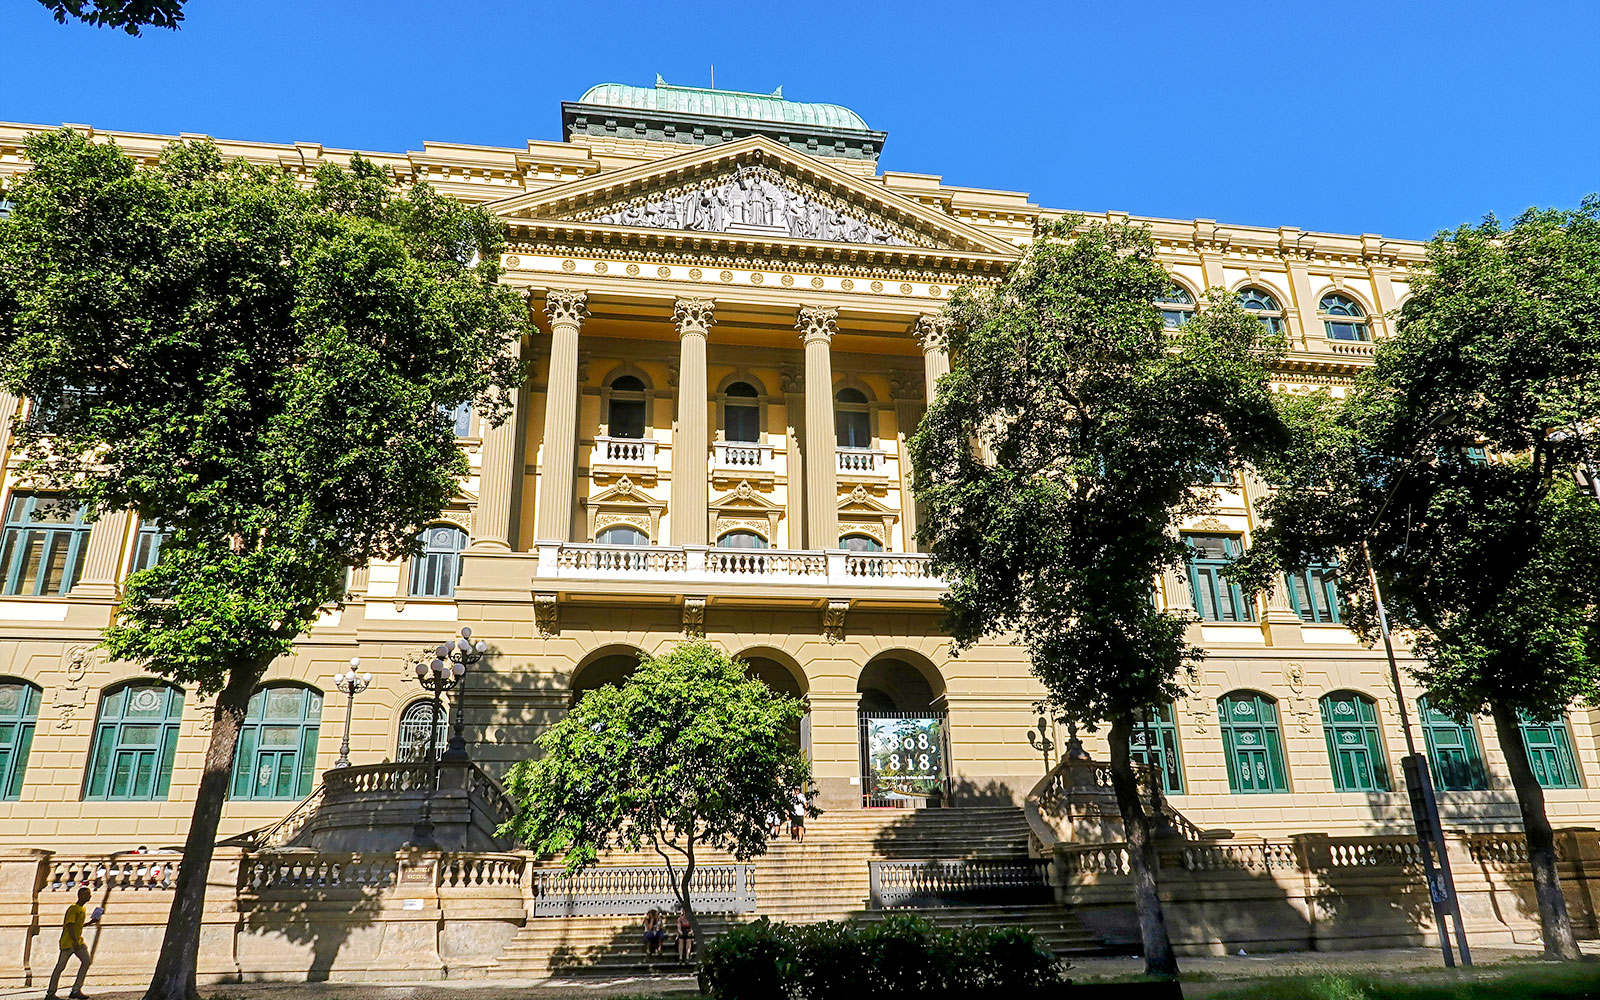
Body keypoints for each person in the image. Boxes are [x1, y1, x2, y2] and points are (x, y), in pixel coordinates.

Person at [46, 884, 95, 1000]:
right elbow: (70, 926)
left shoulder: (82, 909)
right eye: (87, 894)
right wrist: (74, 941)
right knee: (60, 967)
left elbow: (77, 925)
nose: (90, 896)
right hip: (69, 943)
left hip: (77, 941)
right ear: (81, 896)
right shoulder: (73, 908)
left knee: (86, 961)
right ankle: (50, 993)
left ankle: (76, 989)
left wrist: (90, 922)